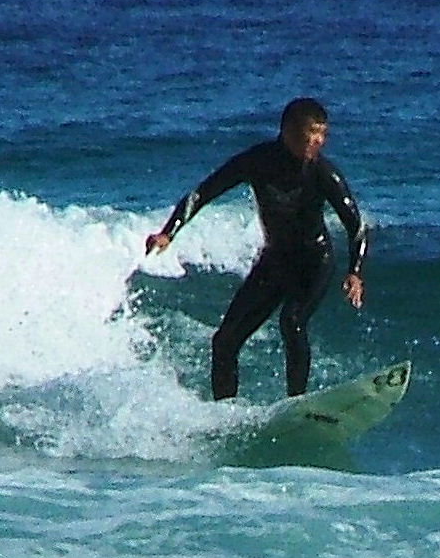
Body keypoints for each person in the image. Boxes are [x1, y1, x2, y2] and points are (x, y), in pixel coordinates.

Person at [146, 98, 369, 401]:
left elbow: (356, 225)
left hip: (314, 261)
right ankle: (224, 410)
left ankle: (297, 403)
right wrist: (168, 232)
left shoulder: (323, 173)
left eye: (322, 134)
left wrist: (354, 272)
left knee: (292, 322)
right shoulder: (257, 161)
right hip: (275, 261)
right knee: (224, 342)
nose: (316, 141)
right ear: (288, 130)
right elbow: (203, 192)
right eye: (310, 133)